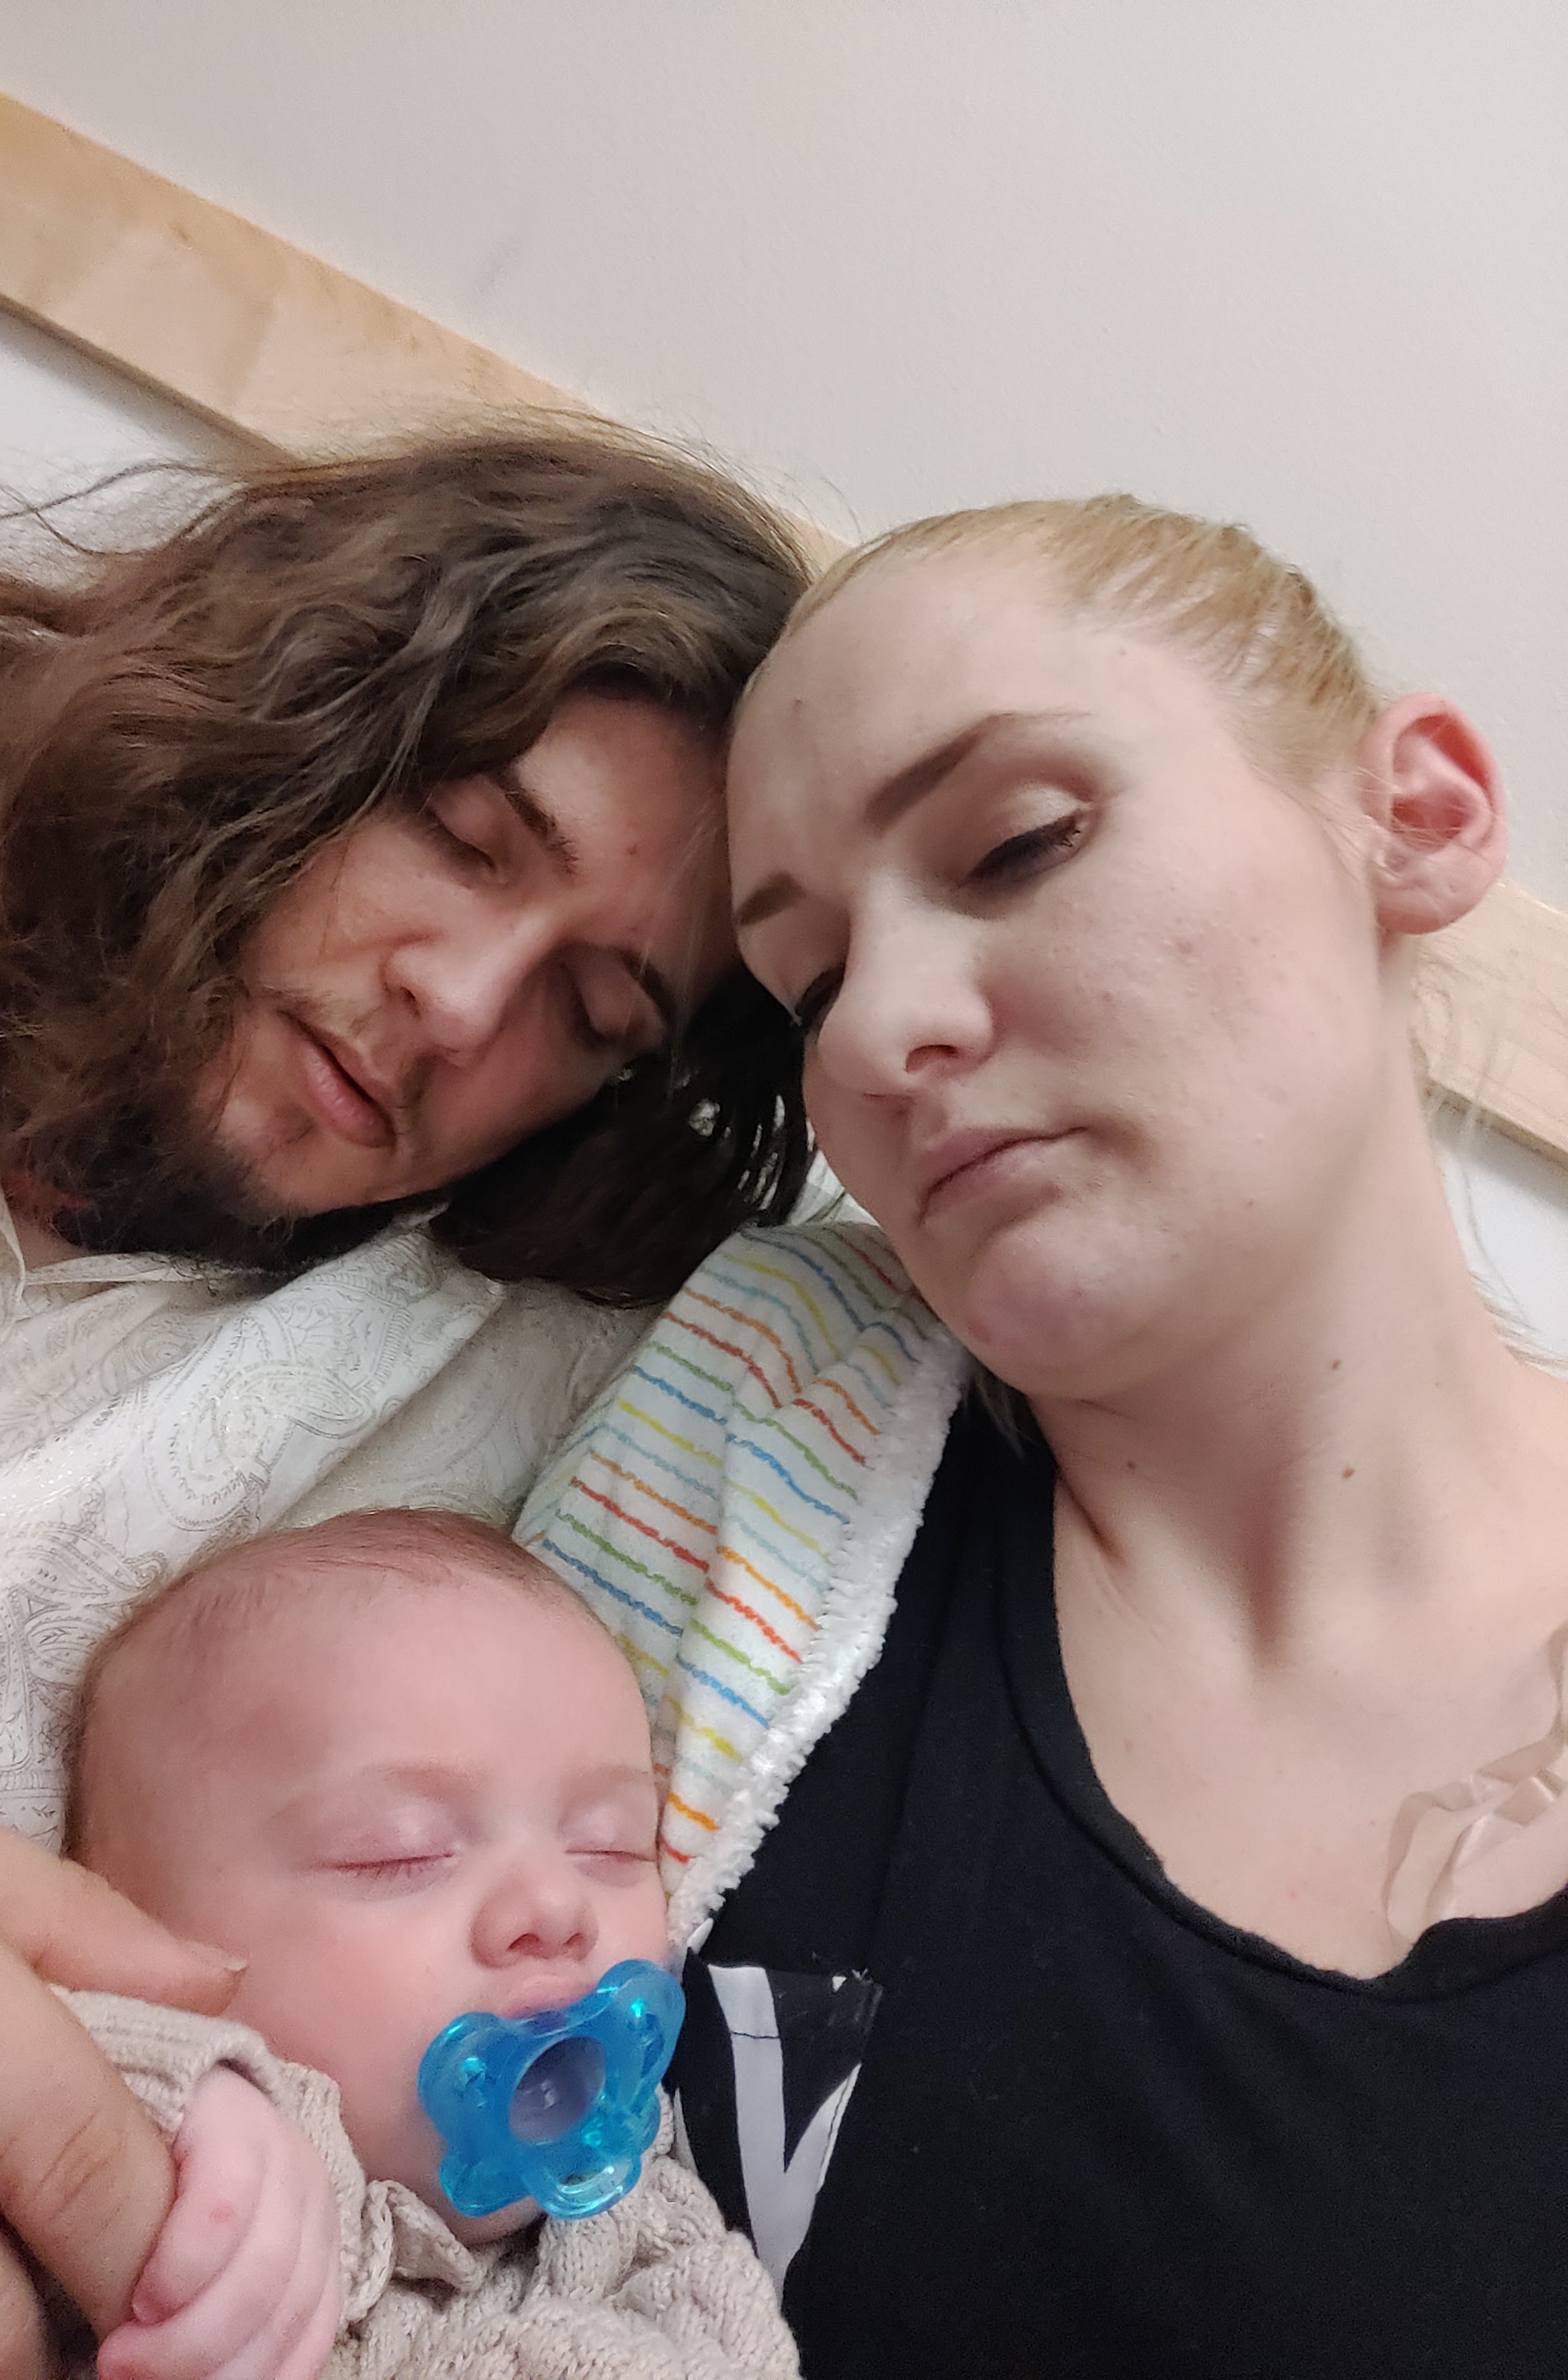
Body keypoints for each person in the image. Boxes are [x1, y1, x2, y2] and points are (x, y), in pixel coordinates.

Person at [0, 418, 809, 2378]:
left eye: (592, 1013)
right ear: (297, 720)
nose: (460, 1000)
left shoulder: (489, 1380)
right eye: (465, 836)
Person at [524, 495, 1568, 2378]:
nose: (871, 1036)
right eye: (808, 985)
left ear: (1414, 817)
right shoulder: (753, 1431)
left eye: (1018, 843)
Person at [52, 1507, 797, 2380]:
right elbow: (16, 2061)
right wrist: (179, 2095)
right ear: (135, 1937)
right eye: (398, 1852)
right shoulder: (157, 2154)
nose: (557, 1904)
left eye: (611, 1846)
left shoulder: (648, 2227)